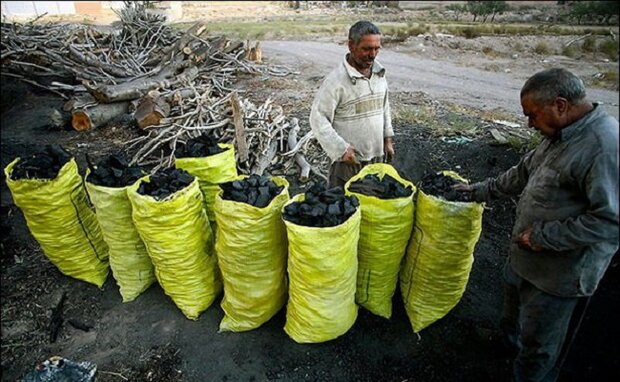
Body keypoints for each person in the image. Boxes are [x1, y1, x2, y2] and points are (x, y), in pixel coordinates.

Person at [455, 68, 619, 382]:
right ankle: (506, 345)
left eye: (532, 115)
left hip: (559, 273)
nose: (529, 124)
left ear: (560, 105)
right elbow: (524, 171)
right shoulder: (559, 132)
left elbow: (610, 221)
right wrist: (481, 190)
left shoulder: (604, 147)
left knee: (540, 343)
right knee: (513, 310)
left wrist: (545, 237)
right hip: (526, 255)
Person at [309, 20, 394, 188]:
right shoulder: (336, 81)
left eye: (377, 48)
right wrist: (341, 149)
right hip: (348, 162)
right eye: (367, 49)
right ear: (351, 46)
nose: (373, 54)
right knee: (343, 208)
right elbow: (318, 118)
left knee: (372, 207)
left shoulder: (379, 74)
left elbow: (384, 108)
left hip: (376, 158)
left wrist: (388, 138)